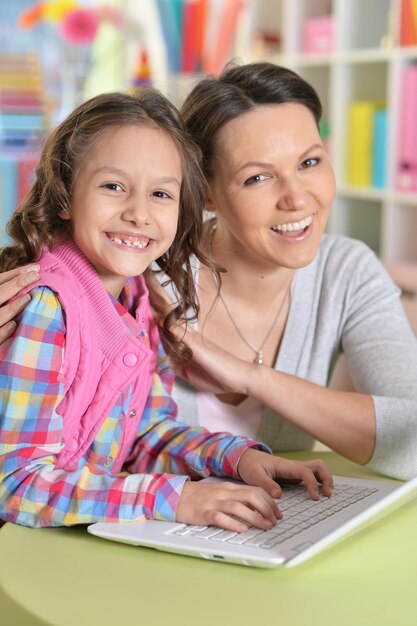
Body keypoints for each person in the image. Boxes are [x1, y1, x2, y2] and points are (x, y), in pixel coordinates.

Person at [0, 89, 332, 530]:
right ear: (65, 195)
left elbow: (144, 435)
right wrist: (173, 497)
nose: (139, 213)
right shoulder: (47, 307)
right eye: (113, 186)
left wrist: (238, 458)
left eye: (161, 193)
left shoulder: (139, 298)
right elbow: (15, 484)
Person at [166, 62, 417, 481]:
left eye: (309, 163)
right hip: (148, 527)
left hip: (280, 530)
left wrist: (254, 379)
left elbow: (412, 442)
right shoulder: (152, 278)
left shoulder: (346, 272)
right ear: (205, 193)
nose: (297, 199)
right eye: (258, 177)